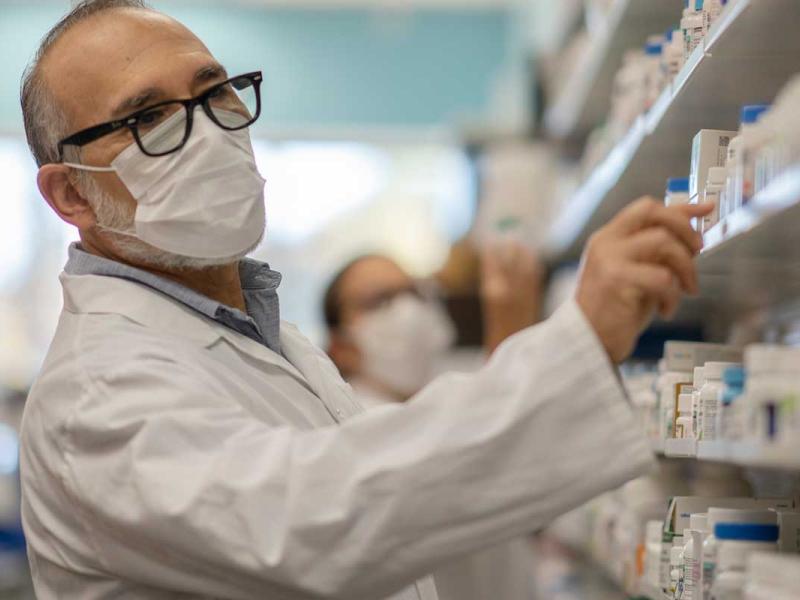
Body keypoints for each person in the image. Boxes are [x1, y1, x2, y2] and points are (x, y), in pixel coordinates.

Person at [19, 1, 711, 599]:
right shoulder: (96, 395)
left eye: (213, 92)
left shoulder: (266, 337)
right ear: (72, 193)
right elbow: (314, 518)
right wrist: (578, 341)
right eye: (148, 117)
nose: (205, 131)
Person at [323, 248, 544, 600]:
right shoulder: (355, 423)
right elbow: (476, 464)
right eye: (380, 300)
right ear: (341, 346)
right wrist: (510, 334)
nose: (407, 311)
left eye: (413, 292)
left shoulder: (442, 394)